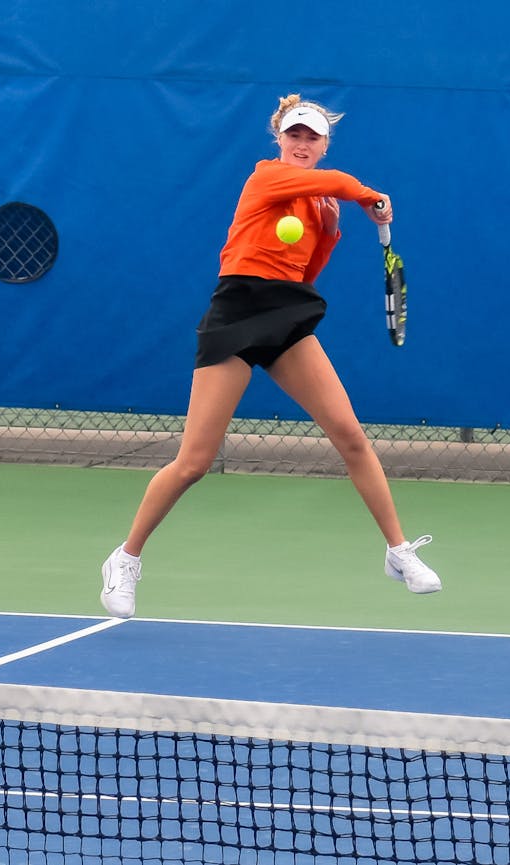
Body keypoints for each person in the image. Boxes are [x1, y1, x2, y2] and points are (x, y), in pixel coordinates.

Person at [100, 94, 440, 619]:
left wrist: (343, 219)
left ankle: (398, 552)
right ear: (279, 139)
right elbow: (343, 184)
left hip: (286, 316)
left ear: (324, 143)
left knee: (349, 434)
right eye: (294, 135)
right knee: (194, 463)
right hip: (236, 312)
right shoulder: (266, 177)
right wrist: (369, 195)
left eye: (312, 137)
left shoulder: (324, 206)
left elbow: (309, 268)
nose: (302, 144)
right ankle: (124, 559)